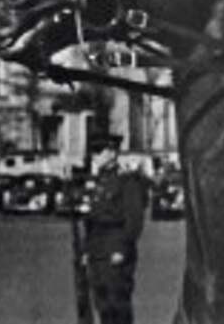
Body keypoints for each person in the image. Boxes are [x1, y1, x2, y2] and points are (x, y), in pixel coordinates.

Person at [83, 131, 147, 324]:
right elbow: (93, 220)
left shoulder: (127, 181)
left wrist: (122, 249)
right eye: (93, 151)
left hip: (115, 246)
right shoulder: (100, 181)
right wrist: (87, 250)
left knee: (117, 303)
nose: (94, 155)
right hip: (98, 248)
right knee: (102, 303)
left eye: (99, 151)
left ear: (112, 153)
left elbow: (134, 219)